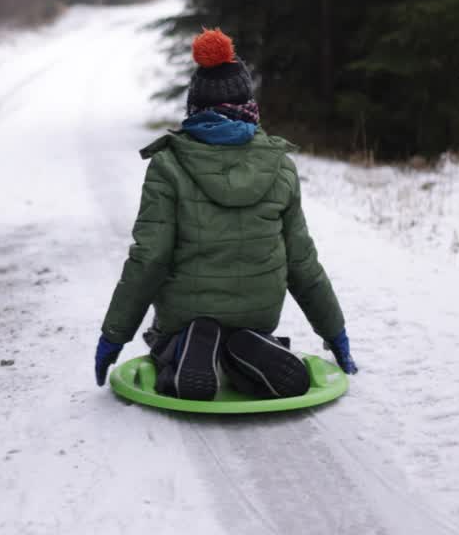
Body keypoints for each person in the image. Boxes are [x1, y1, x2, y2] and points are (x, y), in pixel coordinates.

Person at [93, 28, 357, 401]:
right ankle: (249, 347)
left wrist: (113, 336)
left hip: (186, 315)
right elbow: (302, 261)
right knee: (246, 348)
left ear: (194, 108)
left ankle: (185, 347)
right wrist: (334, 332)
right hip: (258, 313)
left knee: (169, 344)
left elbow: (149, 258)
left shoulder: (168, 166)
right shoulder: (279, 165)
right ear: (249, 105)